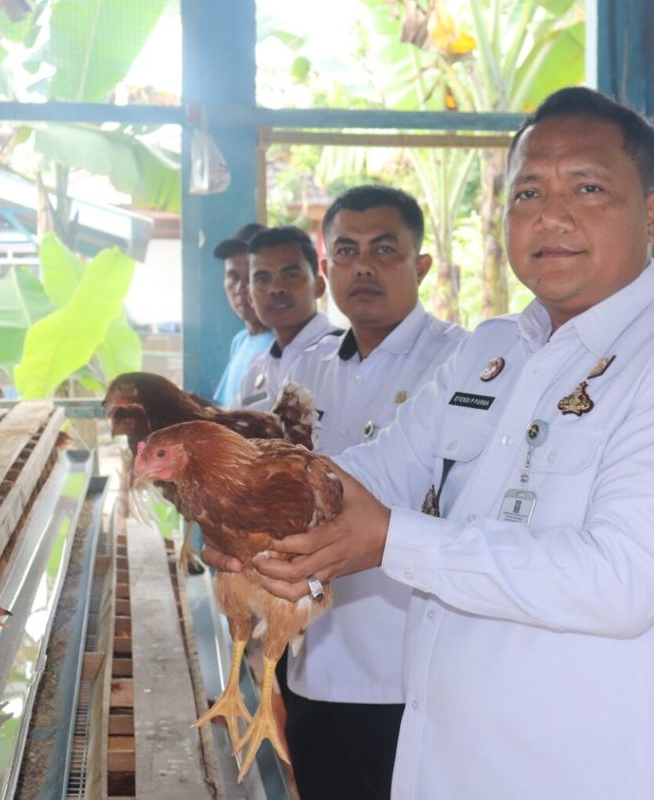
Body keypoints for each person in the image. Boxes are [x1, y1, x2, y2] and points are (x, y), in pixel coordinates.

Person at [208, 86, 654, 798]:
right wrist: (255, 513)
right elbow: (379, 472)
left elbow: (624, 578)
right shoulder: (494, 352)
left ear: (652, 213)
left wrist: (392, 543)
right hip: (441, 763)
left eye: (588, 188)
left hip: (579, 777)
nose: (552, 215)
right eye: (528, 192)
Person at [276, 185, 466, 800]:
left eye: (385, 249)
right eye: (347, 251)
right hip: (314, 663)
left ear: (422, 265)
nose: (363, 266)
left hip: (412, 674)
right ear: (326, 270)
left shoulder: (460, 367)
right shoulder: (307, 368)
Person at [235, 226, 339, 411]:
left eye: (290, 275)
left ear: (319, 287)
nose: (276, 289)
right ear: (250, 296)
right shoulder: (255, 372)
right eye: (262, 279)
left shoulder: (346, 356)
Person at [210, 223, 274, 408]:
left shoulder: (282, 348)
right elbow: (226, 411)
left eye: (252, 277)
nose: (240, 288)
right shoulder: (240, 341)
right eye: (233, 276)